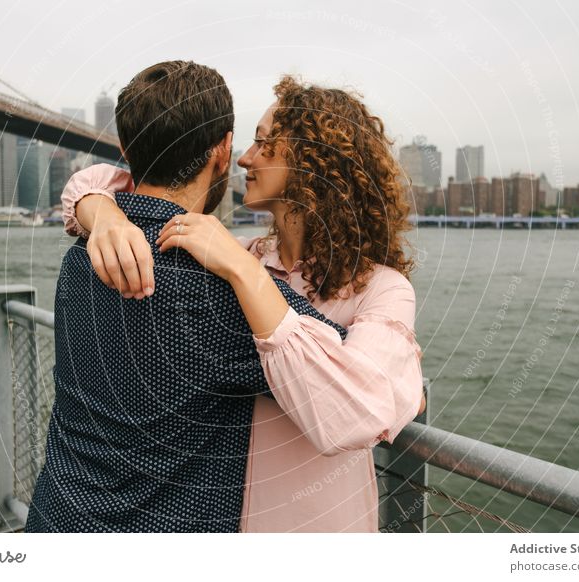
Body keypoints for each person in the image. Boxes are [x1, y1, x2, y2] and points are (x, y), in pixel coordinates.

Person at [62, 76, 426, 533]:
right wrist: (104, 213)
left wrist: (246, 273)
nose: (245, 158)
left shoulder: (382, 288)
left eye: (263, 143)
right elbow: (93, 181)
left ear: (316, 161)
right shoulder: (236, 254)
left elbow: (355, 413)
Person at [24, 61, 345, 533]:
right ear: (223, 150)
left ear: (125, 150)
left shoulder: (81, 258)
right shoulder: (226, 293)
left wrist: (98, 208)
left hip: (56, 522)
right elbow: (340, 366)